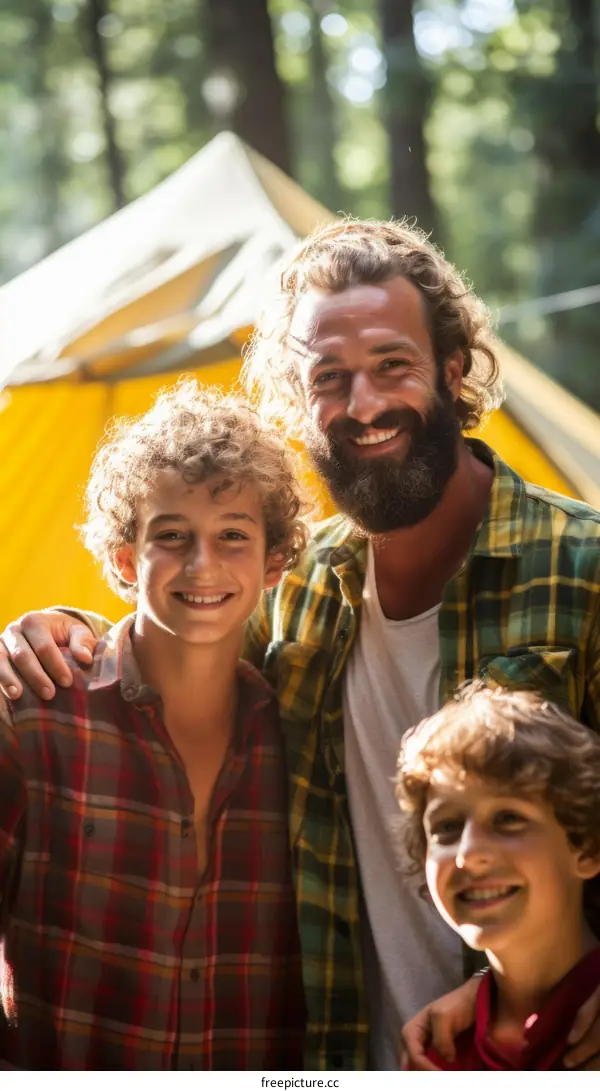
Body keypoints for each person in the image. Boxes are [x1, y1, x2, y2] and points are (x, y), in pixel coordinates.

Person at [2, 218, 600, 1070]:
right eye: (330, 377)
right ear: (300, 398)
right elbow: (175, 644)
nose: (363, 404)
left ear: (454, 369)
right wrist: (62, 632)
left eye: (393, 364)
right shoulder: (301, 586)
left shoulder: (585, 566)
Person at [0, 381, 308, 1070]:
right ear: (124, 558)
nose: (204, 564)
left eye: (233, 534)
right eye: (172, 536)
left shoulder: (302, 740)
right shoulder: (34, 712)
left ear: (275, 562)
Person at [396, 684, 600, 1070]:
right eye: (447, 827)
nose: (468, 854)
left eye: (509, 818)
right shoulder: (436, 1056)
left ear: (587, 848)